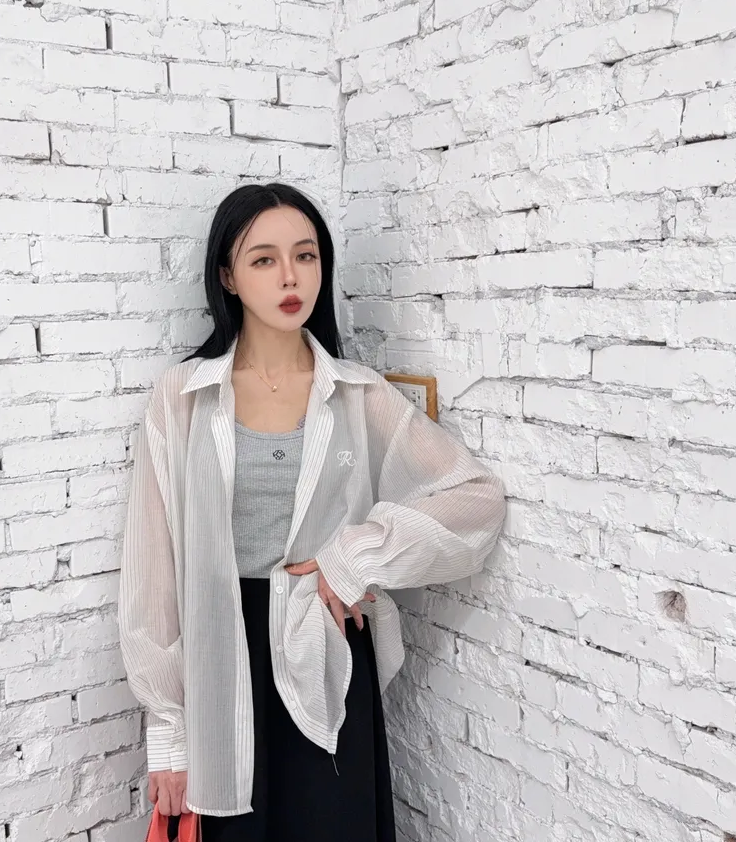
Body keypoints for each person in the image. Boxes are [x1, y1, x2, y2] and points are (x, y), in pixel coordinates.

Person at [118, 183, 507, 842]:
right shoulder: (182, 398)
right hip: (222, 653)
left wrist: (352, 558)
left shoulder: (357, 394)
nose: (290, 277)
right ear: (228, 276)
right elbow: (153, 576)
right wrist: (169, 736)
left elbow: (473, 497)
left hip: (323, 646)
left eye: (306, 255)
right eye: (263, 259)